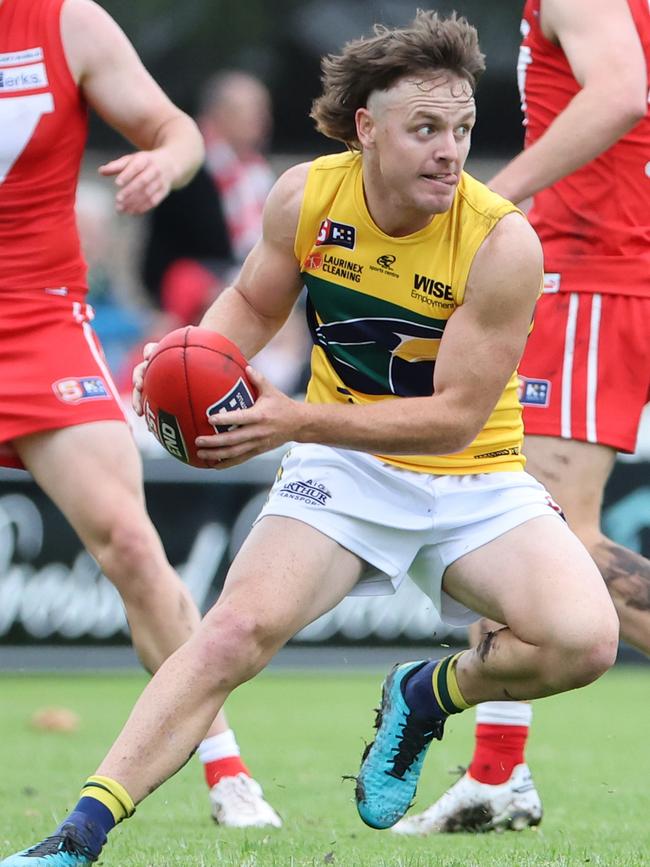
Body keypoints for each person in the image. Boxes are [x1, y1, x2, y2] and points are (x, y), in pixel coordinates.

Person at [0, 10, 620, 863]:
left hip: (472, 473)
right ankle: (77, 834)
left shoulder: (501, 242)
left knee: (585, 642)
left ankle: (425, 693)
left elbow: (453, 418)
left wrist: (290, 417)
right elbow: (252, 308)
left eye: (464, 129)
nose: (451, 150)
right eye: (427, 129)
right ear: (367, 129)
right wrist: (190, 366)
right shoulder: (307, 196)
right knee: (228, 635)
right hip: (346, 469)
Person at [0, 0, 280, 831]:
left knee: (128, 541)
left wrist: (165, 159)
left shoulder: (64, 23)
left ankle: (227, 771)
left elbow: (179, 131)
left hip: (40, 320)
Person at [392, 0, 650, 836]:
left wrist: (493, 202)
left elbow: (618, 93)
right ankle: (496, 775)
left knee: (546, 529)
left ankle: (491, 767)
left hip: (596, 270)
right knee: (510, 513)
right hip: (615, 267)